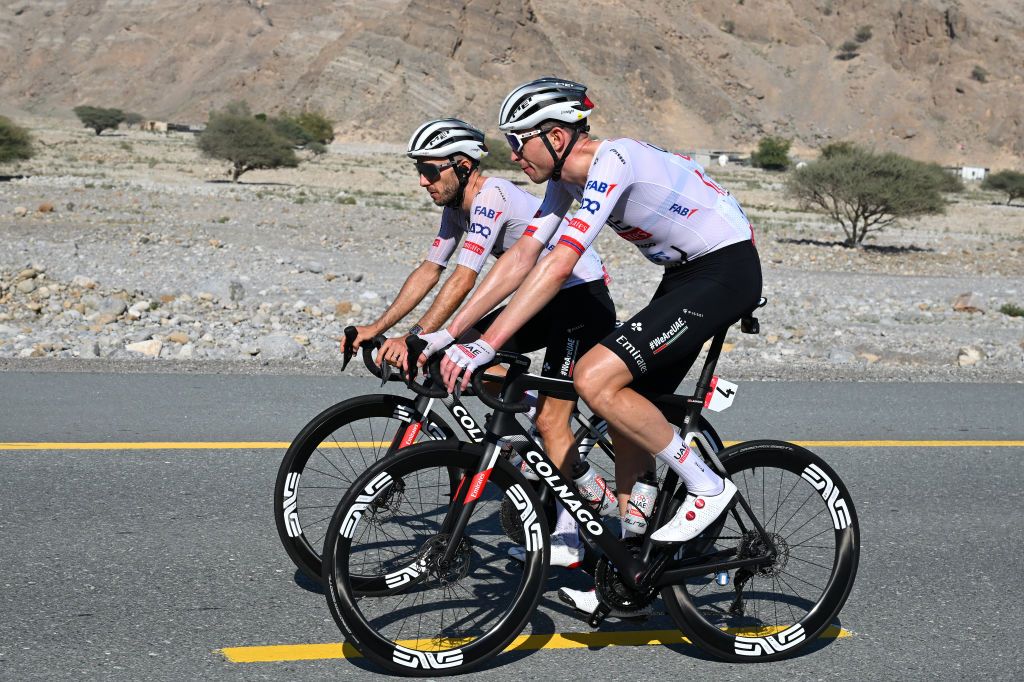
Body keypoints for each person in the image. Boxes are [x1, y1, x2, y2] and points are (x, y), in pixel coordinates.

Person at [434, 78, 762, 615]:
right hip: (685, 275)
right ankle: (636, 541)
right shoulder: (564, 183)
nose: (513, 154)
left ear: (558, 135)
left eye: (521, 141)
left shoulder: (614, 161)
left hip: (725, 268)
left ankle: (706, 485)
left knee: (593, 376)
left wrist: (488, 343)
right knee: (628, 407)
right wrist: (452, 335)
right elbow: (522, 258)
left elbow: (559, 262)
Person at [342, 117, 617, 567]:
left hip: (579, 299)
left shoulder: (490, 197)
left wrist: (417, 338)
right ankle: (528, 418)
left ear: (463, 165)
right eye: (420, 171)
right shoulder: (456, 208)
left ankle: (568, 534)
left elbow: (466, 277)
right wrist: (377, 326)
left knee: (549, 418)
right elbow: (430, 270)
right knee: (459, 355)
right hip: (538, 299)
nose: (423, 181)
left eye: (431, 171)